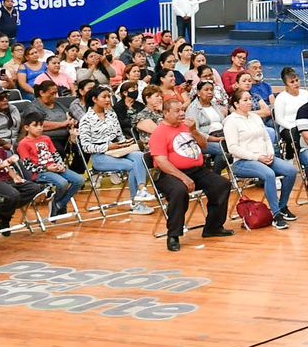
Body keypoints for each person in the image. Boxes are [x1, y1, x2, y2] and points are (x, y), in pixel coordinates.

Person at [148, 98, 233, 253]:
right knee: (179, 191)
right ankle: (173, 235)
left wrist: (194, 131)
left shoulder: (186, 127)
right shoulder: (159, 133)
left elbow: (204, 145)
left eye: (182, 110)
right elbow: (161, 162)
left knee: (222, 185)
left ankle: (213, 227)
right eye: (177, 111)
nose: (182, 113)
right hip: (169, 173)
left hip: (197, 170)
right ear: (166, 113)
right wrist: (183, 178)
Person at [225, 86, 298, 228]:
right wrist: (257, 157)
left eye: (250, 99)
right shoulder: (231, 121)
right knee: (269, 174)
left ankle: (282, 207)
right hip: (243, 162)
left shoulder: (255, 117)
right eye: (245, 100)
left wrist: (270, 153)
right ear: (236, 104)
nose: (249, 102)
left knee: (291, 171)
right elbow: (233, 148)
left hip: (264, 157)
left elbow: (266, 137)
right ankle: (276, 214)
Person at [76, 86, 155, 214]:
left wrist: (126, 143)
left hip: (119, 150)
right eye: (104, 97)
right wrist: (107, 146)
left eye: (109, 96)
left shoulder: (112, 114)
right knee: (132, 166)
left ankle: (141, 192)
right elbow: (85, 146)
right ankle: (137, 201)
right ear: (94, 99)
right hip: (100, 156)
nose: (108, 99)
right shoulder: (86, 119)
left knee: (141, 157)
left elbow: (120, 135)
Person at [16, 111, 84, 222]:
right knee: (62, 183)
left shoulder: (46, 138)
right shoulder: (23, 143)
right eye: (35, 125)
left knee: (79, 180)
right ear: (26, 127)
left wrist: (60, 165)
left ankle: (58, 204)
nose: (39, 128)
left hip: (54, 168)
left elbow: (55, 154)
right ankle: (59, 204)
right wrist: (47, 168)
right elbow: (27, 166)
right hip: (39, 173)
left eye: (41, 125)